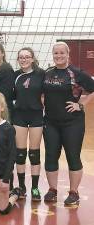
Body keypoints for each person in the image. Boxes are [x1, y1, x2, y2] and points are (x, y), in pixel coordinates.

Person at [43, 42, 94, 205]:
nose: (58, 56)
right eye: (56, 53)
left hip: (72, 123)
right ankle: (52, 190)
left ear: (67, 53)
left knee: (73, 157)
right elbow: (41, 91)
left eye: (61, 53)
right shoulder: (47, 73)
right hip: (50, 122)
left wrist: (80, 104)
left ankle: (74, 192)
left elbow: (92, 89)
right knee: (51, 157)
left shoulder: (76, 73)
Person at [13, 47, 45, 201]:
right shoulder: (15, 75)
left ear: (32, 59)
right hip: (19, 116)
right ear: (18, 59)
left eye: (27, 57)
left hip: (36, 116)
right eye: (21, 57)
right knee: (20, 153)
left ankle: (35, 187)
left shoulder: (41, 74)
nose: (24, 59)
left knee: (34, 153)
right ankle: (21, 186)